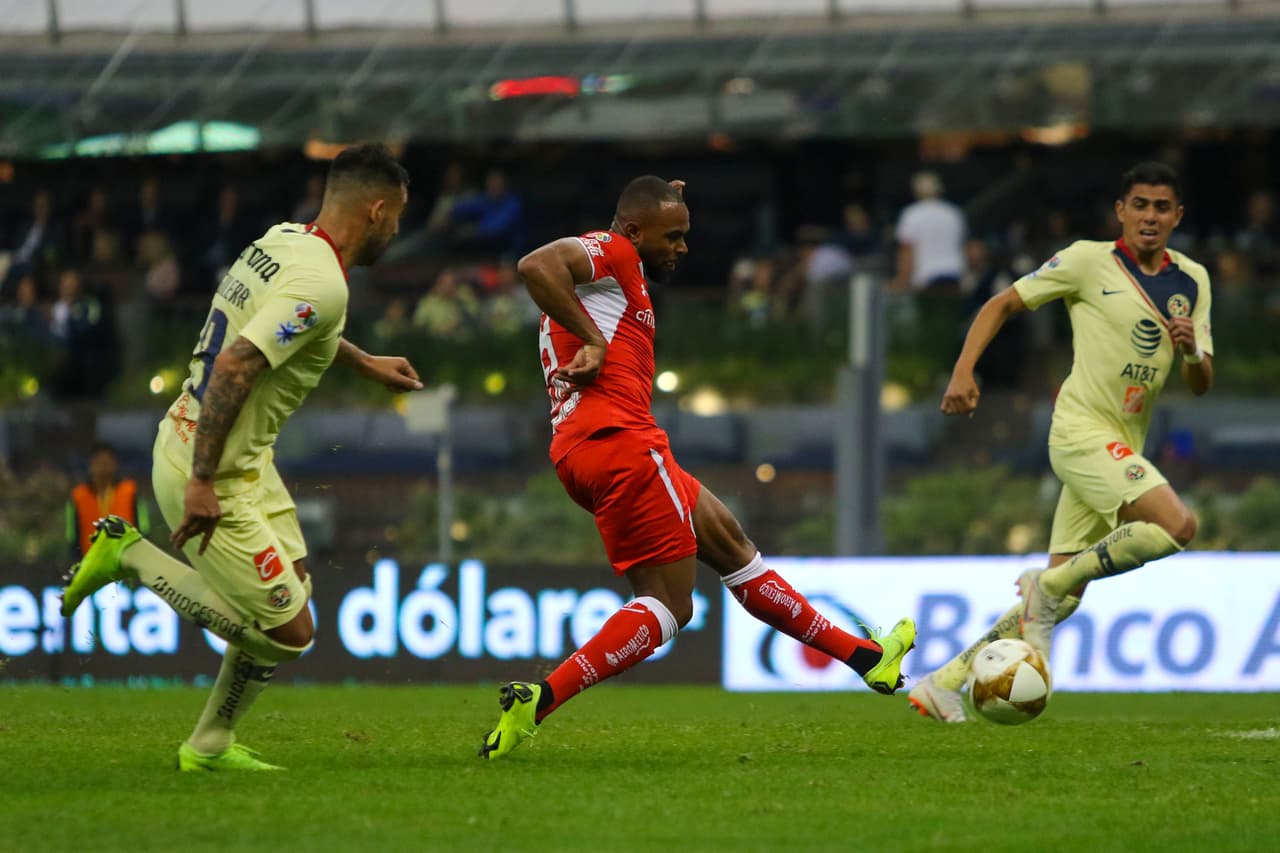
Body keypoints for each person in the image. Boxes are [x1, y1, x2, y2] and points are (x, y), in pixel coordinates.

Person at [479, 176, 916, 760]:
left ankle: (867, 658)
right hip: (620, 441)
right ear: (634, 230)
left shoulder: (618, 270)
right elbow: (535, 265)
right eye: (674, 235)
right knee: (668, 604)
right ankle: (542, 698)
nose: (683, 247)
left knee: (731, 545)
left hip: (591, 447)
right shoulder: (614, 251)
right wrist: (595, 341)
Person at [60, 143, 423, 770]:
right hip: (207, 467)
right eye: (397, 217)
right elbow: (235, 364)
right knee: (289, 633)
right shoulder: (325, 283)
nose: (397, 229)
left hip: (238, 460)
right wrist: (203, 480)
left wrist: (363, 362)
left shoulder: (283, 241)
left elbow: (277, 327)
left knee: (293, 595)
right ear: (377, 210)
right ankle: (130, 555)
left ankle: (209, 744)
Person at [910, 162, 1213, 723]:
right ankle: (1044, 586)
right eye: (1139, 204)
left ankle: (944, 681)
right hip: (1080, 431)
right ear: (1121, 210)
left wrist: (1192, 350)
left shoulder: (1192, 279)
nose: (1150, 216)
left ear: (1177, 216)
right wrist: (963, 371)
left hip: (1125, 440)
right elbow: (999, 304)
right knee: (1178, 526)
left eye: (1161, 207)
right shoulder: (1085, 260)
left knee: (1063, 597)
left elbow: (1201, 383)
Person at [66, 442, 150, 558]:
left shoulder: (130, 491)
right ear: (91, 465)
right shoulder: (79, 496)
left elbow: (143, 526)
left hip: (125, 562)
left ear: (115, 464)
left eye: (107, 462)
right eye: (99, 463)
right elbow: (72, 534)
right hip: (91, 562)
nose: (104, 467)